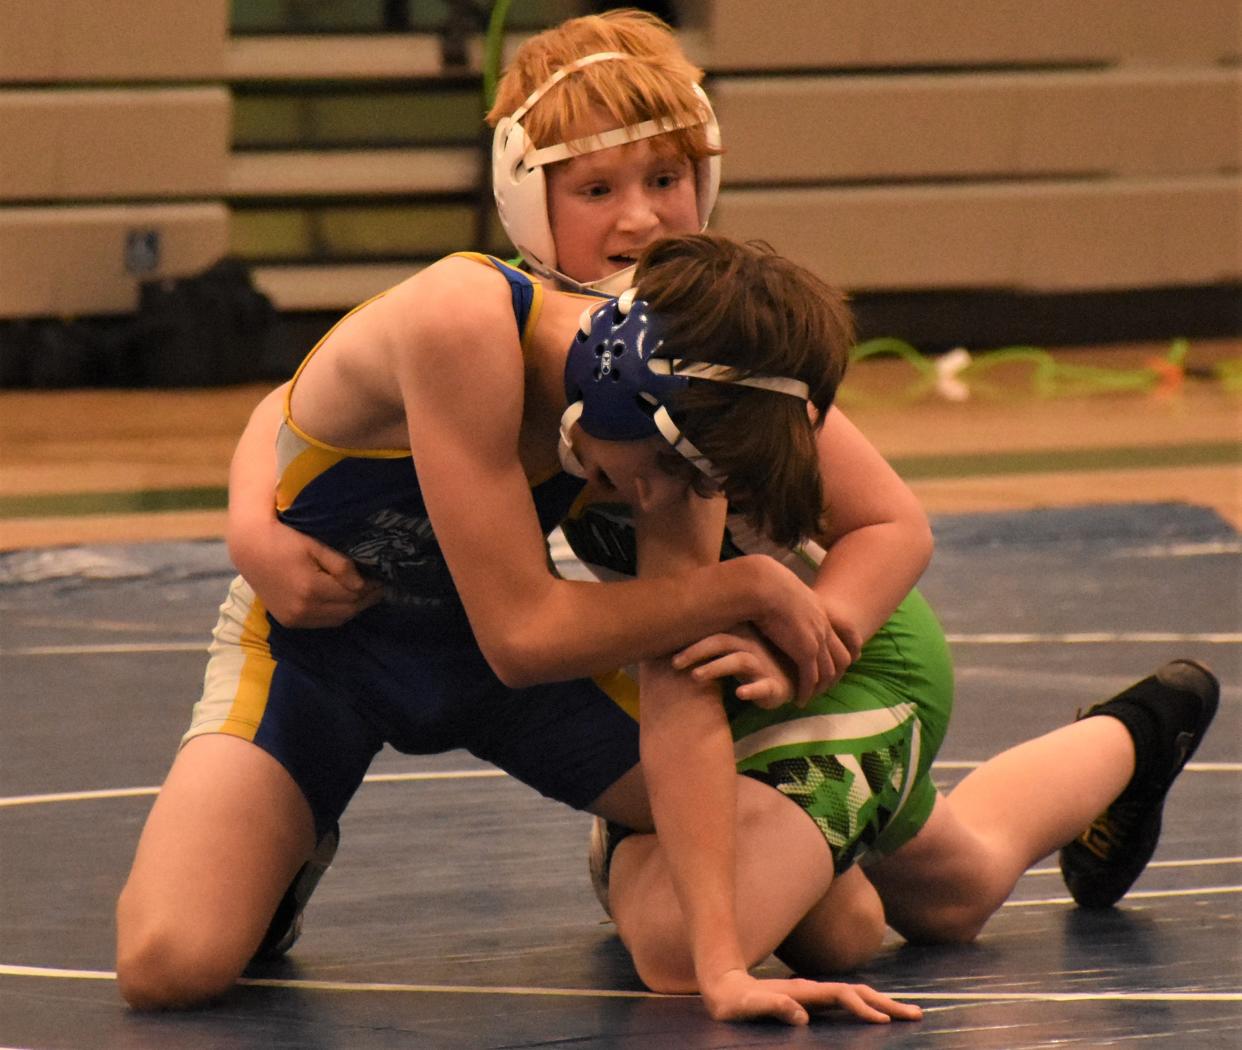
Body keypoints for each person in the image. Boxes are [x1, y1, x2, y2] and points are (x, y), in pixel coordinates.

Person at [193, 8, 1220, 1024]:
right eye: (597, 188)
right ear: (524, 193)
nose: (638, 218)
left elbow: (890, 526)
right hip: (721, 657)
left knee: (725, 936)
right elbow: (309, 405)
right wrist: (251, 524)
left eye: (666, 180)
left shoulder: (713, 354)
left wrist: (817, 639)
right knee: (948, 887)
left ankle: (877, 802)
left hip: (828, 657)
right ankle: (1137, 733)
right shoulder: (523, 328)